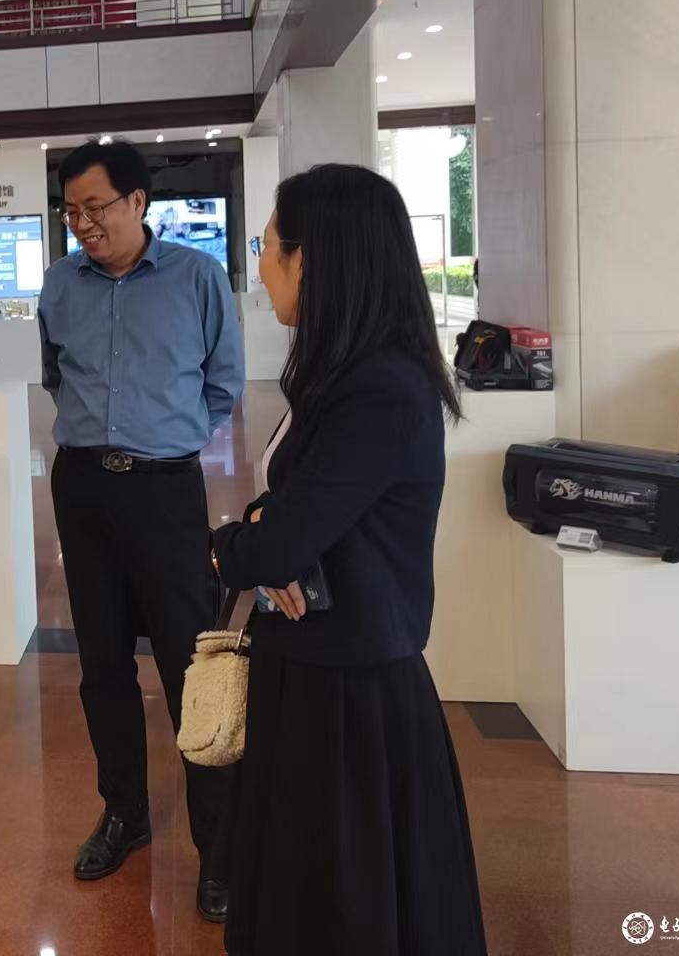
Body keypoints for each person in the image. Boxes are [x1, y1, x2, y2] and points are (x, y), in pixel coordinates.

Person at [210, 163, 487, 955]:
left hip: (348, 695)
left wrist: (232, 546)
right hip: (313, 669)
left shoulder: (381, 390)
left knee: (343, 904)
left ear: (312, 260)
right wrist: (266, 534)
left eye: (269, 246)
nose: (262, 264)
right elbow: (291, 516)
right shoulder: (345, 377)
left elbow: (280, 537)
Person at [37, 139, 245, 924]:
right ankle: (124, 812)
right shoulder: (61, 283)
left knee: (192, 668)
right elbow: (57, 374)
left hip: (165, 490)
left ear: (137, 201)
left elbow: (223, 384)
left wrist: (167, 435)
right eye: (72, 212)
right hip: (83, 487)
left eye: (96, 207)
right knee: (101, 664)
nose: (84, 224)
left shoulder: (197, 278)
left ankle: (219, 848)